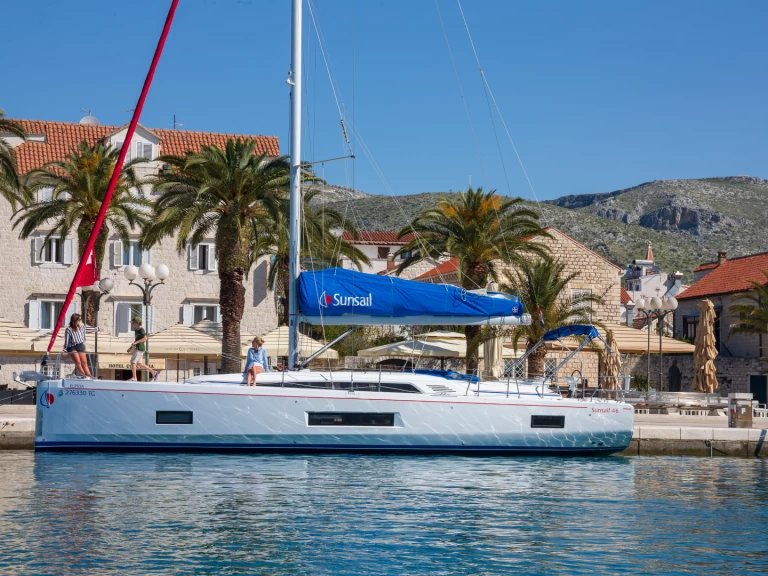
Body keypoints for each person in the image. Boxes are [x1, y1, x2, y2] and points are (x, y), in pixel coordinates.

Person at [63, 313, 100, 378]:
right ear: (74, 320)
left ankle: (89, 376)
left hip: (80, 345)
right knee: (78, 362)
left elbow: (90, 329)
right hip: (72, 347)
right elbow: (67, 340)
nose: (80, 321)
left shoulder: (82, 327)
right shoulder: (68, 330)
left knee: (84, 362)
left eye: (80, 319)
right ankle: (84, 376)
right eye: (79, 320)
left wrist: (98, 329)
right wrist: (65, 349)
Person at [127, 317, 160, 381]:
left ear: (137, 323)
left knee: (132, 362)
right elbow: (137, 340)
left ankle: (134, 377)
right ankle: (153, 372)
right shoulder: (136, 330)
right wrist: (132, 346)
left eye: (133, 323)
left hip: (140, 348)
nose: (132, 324)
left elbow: (145, 338)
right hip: (138, 348)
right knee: (139, 363)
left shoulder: (141, 330)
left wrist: (136, 342)